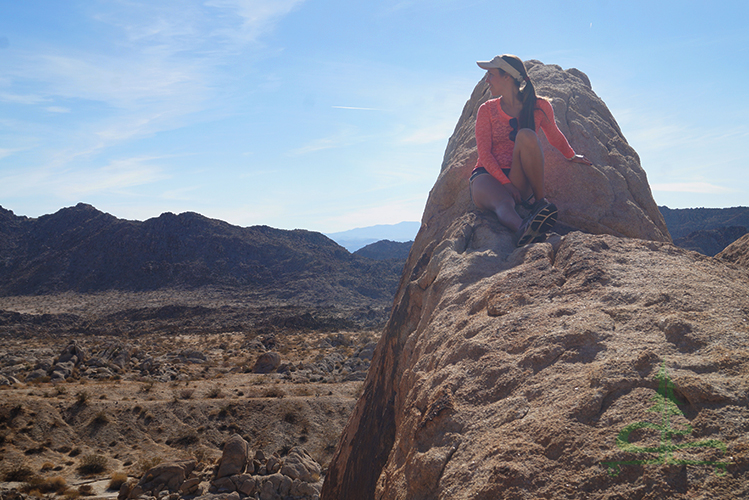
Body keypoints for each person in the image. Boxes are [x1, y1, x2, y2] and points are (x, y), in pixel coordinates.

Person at [469, 54, 592, 246]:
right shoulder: (487, 109)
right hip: (487, 177)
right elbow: (484, 154)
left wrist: (571, 155)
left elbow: (554, 135)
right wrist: (506, 184)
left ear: (507, 76)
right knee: (504, 203)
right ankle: (525, 230)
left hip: (518, 177)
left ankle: (540, 203)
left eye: (491, 74)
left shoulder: (539, 106)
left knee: (526, 135)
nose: (487, 80)